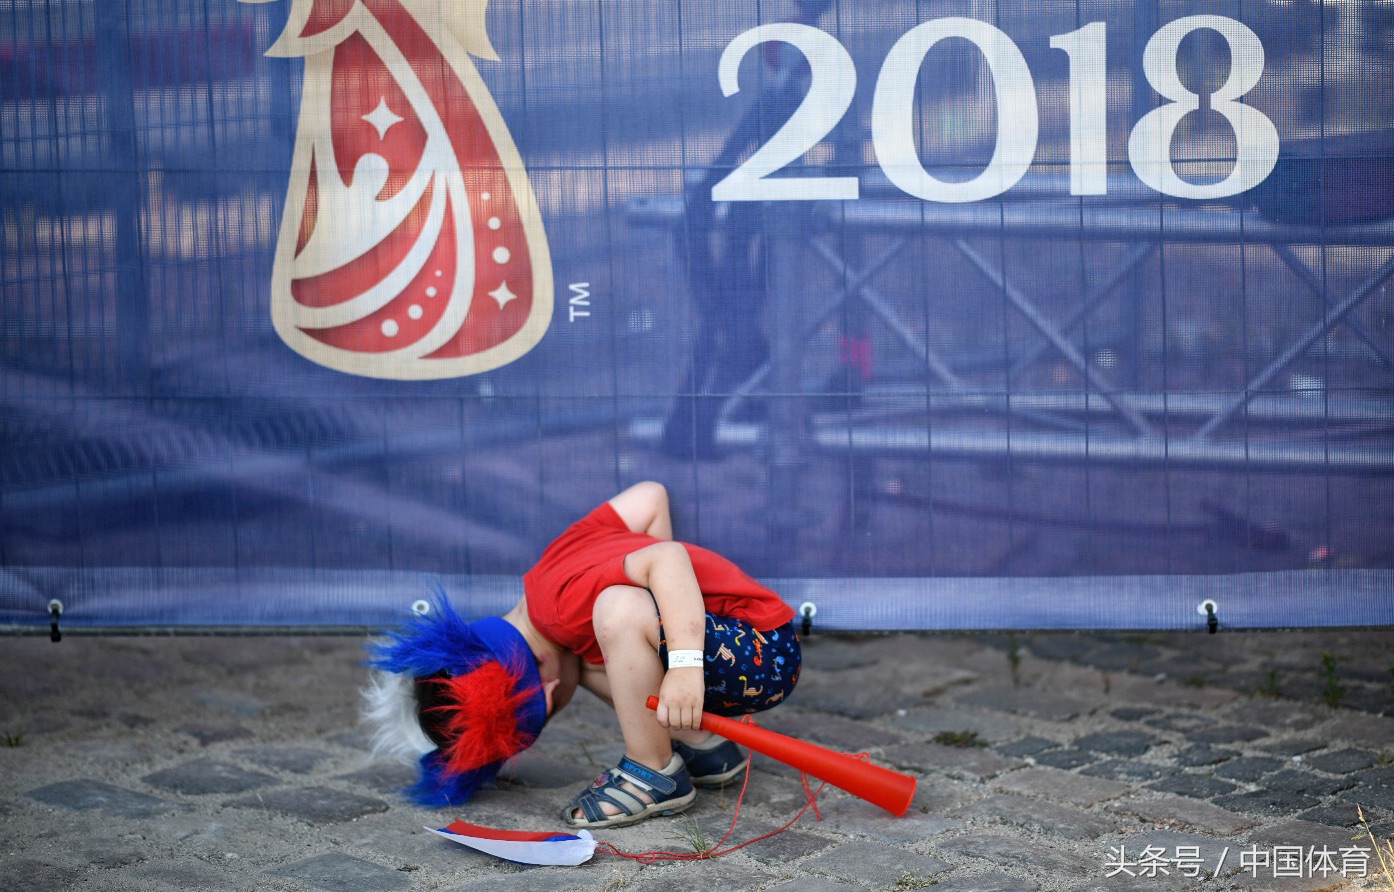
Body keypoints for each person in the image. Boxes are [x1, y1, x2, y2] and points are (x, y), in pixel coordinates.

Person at [363, 481, 800, 829]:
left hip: (764, 653)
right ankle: (701, 744)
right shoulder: (548, 569)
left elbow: (667, 557)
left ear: (549, 694)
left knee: (617, 610)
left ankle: (653, 769)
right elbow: (650, 496)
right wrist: (666, 615)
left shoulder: (562, 609)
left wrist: (685, 665)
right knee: (605, 650)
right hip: (746, 647)